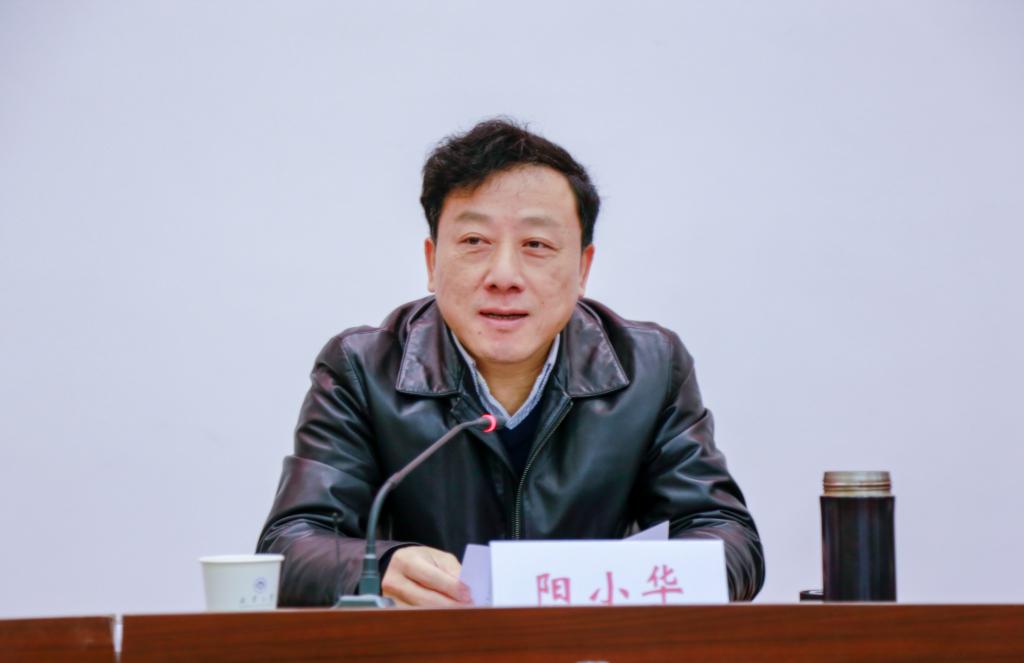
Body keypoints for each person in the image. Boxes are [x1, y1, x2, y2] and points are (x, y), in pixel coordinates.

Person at [257, 118, 765, 606]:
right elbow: (290, 545)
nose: (504, 276)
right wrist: (382, 566)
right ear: (432, 262)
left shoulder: (649, 369)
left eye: (536, 245)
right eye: (474, 242)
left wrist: (611, 582)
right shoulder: (363, 370)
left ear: (583, 268)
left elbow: (728, 539)